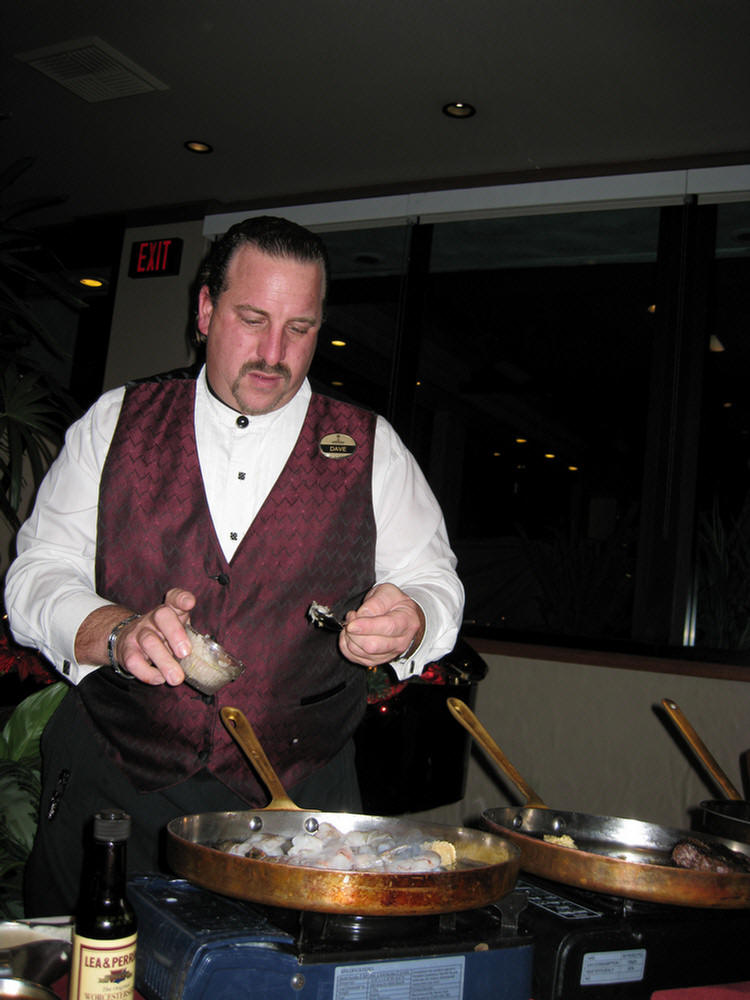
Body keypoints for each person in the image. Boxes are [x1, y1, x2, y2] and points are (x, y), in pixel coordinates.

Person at [4, 215, 464, 917]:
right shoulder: (116, 422)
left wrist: (412, 617)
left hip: (297, 803)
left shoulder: (373, 447)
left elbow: (436, 582)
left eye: (300, 328)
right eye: (253, 319)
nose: (274, 352)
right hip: (117, 785)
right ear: (205, 309)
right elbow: (36, 574)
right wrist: (119, 631)